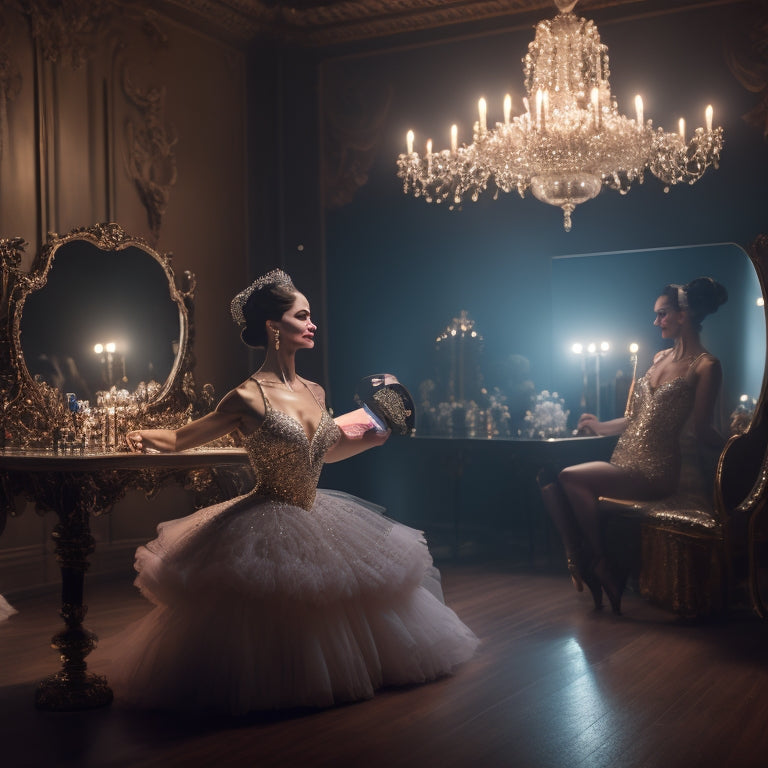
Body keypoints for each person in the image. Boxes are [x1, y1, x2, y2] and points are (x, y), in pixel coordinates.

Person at [94, 268, 478, 714]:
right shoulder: (247, 396)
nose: (313, 324)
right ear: (275, 327)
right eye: (303, 315)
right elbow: (183, 439)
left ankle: (347, 671)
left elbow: (327, 455)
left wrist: (373, 437)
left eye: (311, 315)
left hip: (316, 508)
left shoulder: (315, 391)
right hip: (267, 514)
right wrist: (142, 434)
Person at [540, 277, 728, 615]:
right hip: (625, 460)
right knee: (550, 484)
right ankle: (593, 563)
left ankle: (600, 563)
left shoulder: (706, 366)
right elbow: (634, 419)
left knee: (571, 477)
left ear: (683, 314)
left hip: (656, 470)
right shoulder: (658, 358)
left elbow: (702, 430)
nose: (656, 321)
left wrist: (736, 446)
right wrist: (598, 425)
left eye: (662, 314)